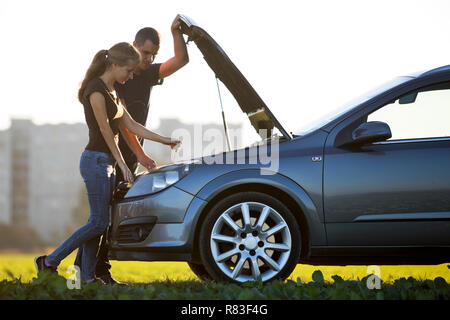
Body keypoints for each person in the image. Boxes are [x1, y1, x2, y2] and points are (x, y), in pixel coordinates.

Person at [34, 42, 180, 284]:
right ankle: (49, 261)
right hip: (96, 162)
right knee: (98, 222)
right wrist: (123, 164)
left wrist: (165, 140)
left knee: (101, 223)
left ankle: (88, 277)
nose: (131, 76)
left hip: (107, 164)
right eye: (129, 71)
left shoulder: (113, 92)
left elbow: (131, 125)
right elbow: (104, 130)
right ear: (114, 65)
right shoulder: (95, 91)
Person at [74, 14, 189, 285]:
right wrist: (138, 156)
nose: (148, 59)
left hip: (126, 160)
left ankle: (93, 272)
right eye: (145, 52)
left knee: (108, 219)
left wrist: (176, 33)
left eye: (153, 54)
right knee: (99, 219)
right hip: (112, 156)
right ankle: (77, 272)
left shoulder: (146, 73)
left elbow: (181, 61)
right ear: (134, 46)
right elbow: (122, 127)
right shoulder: (116, 80)